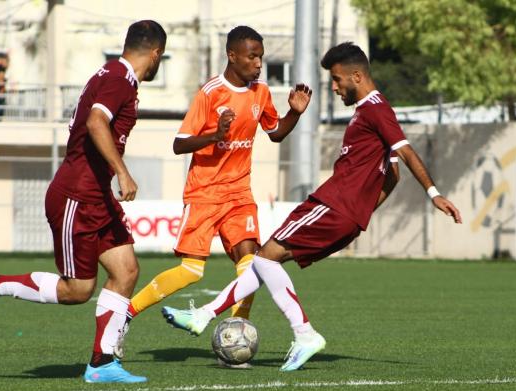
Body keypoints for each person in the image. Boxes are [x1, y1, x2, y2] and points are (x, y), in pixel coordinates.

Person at [161, 42, 462, 372]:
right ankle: (203, 316)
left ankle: (302, 333)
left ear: (357, 76)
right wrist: (361, 212)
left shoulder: (375, 108)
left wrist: (433, 193)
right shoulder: (371, 111)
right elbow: (393, 174)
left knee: (264, 258)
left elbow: (405, 152)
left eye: (336, 79)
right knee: (265, 261)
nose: (334, 87)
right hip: (345, 214)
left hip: (332, 205)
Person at [0, 20, 167, 384]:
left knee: (126, 271)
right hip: (77, 195)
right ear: (155, 53)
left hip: (96, 195)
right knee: (77, 290)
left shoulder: (111, 73)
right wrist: (122, 172)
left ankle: (102, 363)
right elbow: (96, 123)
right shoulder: (119, 79)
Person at [116, 25, 312, 367]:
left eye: (261, 57)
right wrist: (214, 136)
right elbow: (179, 143)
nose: (258, 63)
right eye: (252, 57)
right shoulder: (210, 93)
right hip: (204, 193)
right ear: (232, 56)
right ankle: (126, 314)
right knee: (191, 271)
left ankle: (235, 339)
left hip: (239, 193)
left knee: (252, 267)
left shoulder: (261, 92)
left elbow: (276, 133)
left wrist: (294, 112)